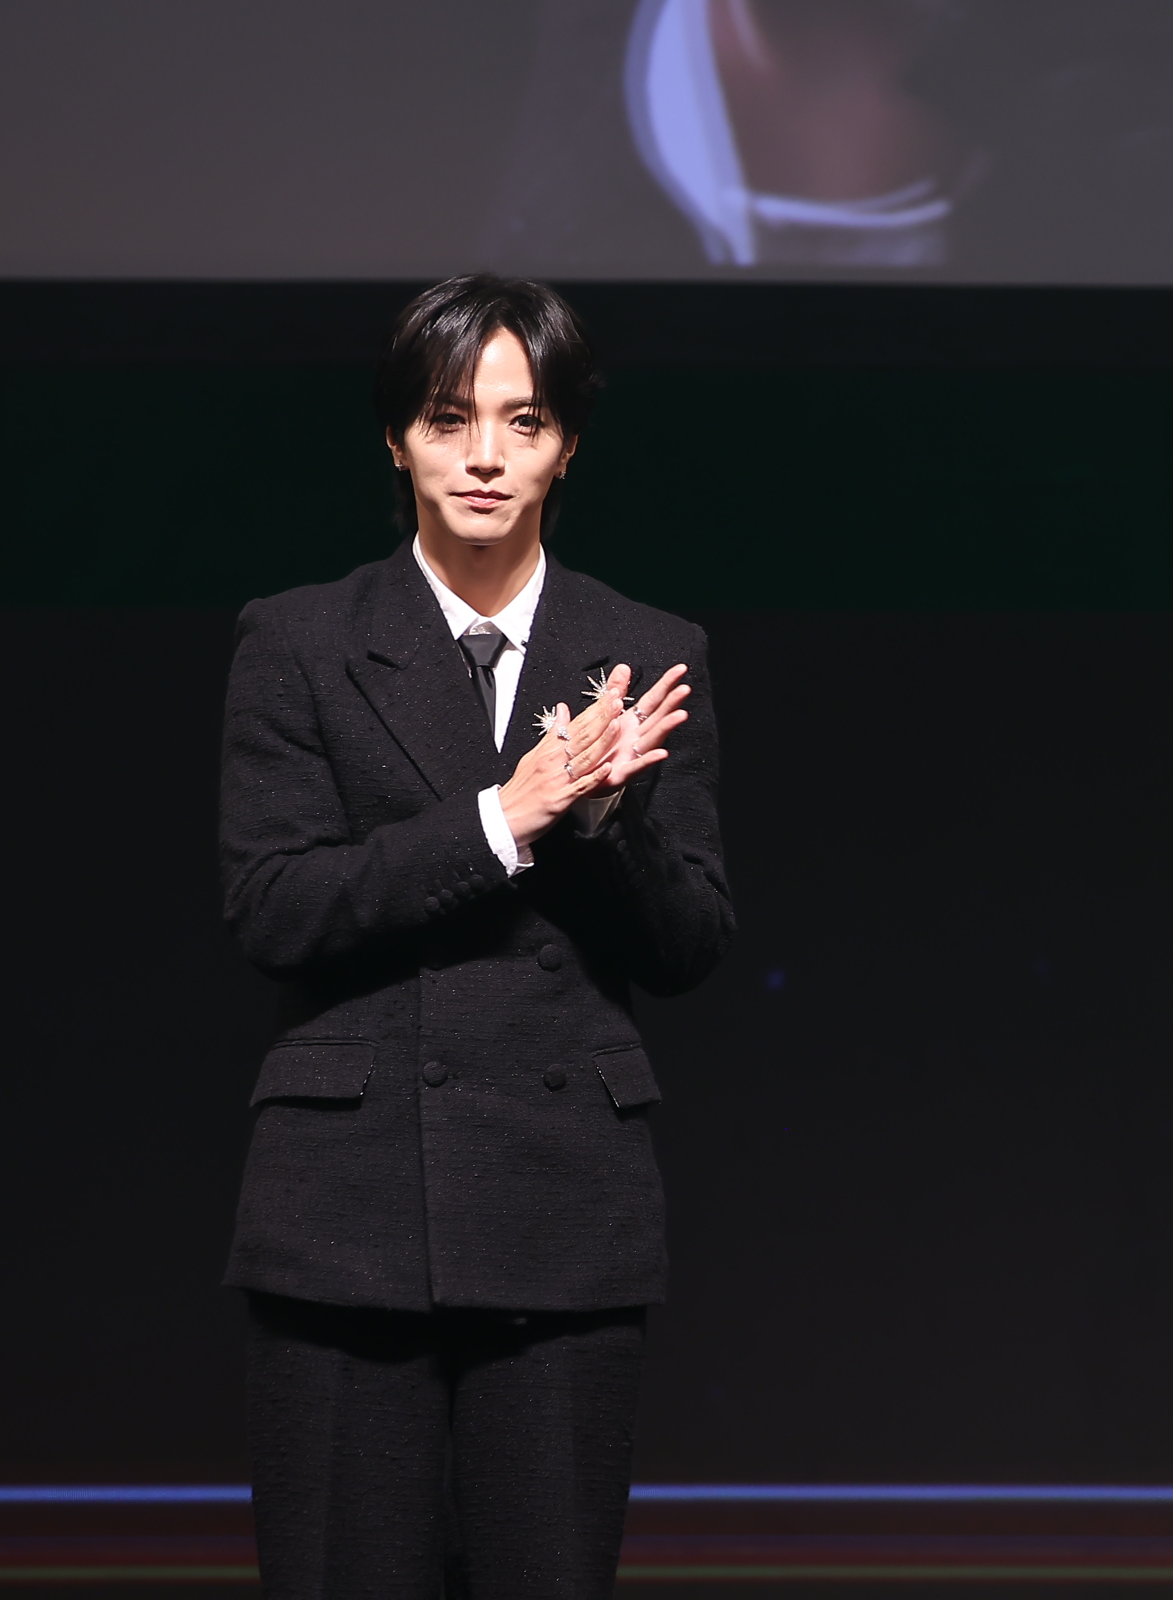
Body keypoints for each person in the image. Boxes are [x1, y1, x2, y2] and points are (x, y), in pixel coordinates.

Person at [217, 274, 732, 1596]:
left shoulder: (645, 647)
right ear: (398, 441)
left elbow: (690, 945)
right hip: (347, 1208)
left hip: (561, 1208)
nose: (487, 456)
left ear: (568, 446)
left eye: (524, 421)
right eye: (450, 420)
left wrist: (606, 822)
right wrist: (504, 818)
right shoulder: (301, 640)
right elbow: (273, 906)